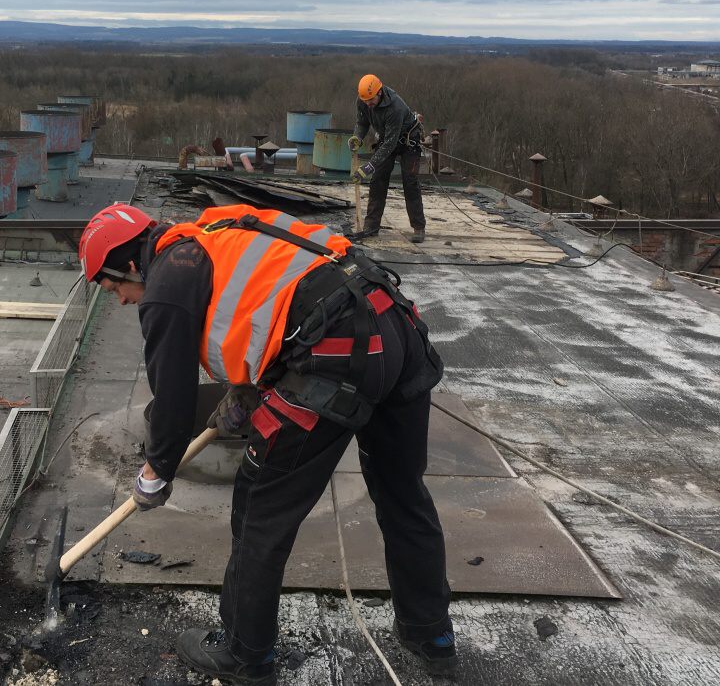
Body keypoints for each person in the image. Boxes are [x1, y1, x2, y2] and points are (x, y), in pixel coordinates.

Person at [78, 202, 455, 685]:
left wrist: (156, 473)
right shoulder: (212, 231)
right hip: (390, 322)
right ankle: (432, 634)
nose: (122, 301)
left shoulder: (165, 287)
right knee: (404, 494)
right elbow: (276, 299)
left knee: (259, 513)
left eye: (115, 288)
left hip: (337, 354)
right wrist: (249, 388)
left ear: (131, 264)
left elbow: (170, 403)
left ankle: (244, 654)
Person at [350, 74, 426, 243]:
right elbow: (362, 123)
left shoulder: (395, 107)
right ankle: (371, 226)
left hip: (408, 141)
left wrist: (369, 166)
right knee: (378, 180)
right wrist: (357, 137)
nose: (368, 104)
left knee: (410, 182)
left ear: (379, 93)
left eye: (371, 100)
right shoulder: (363, 100)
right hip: (388, 138)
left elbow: (390, 145)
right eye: (365, 100)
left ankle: (419, 227)